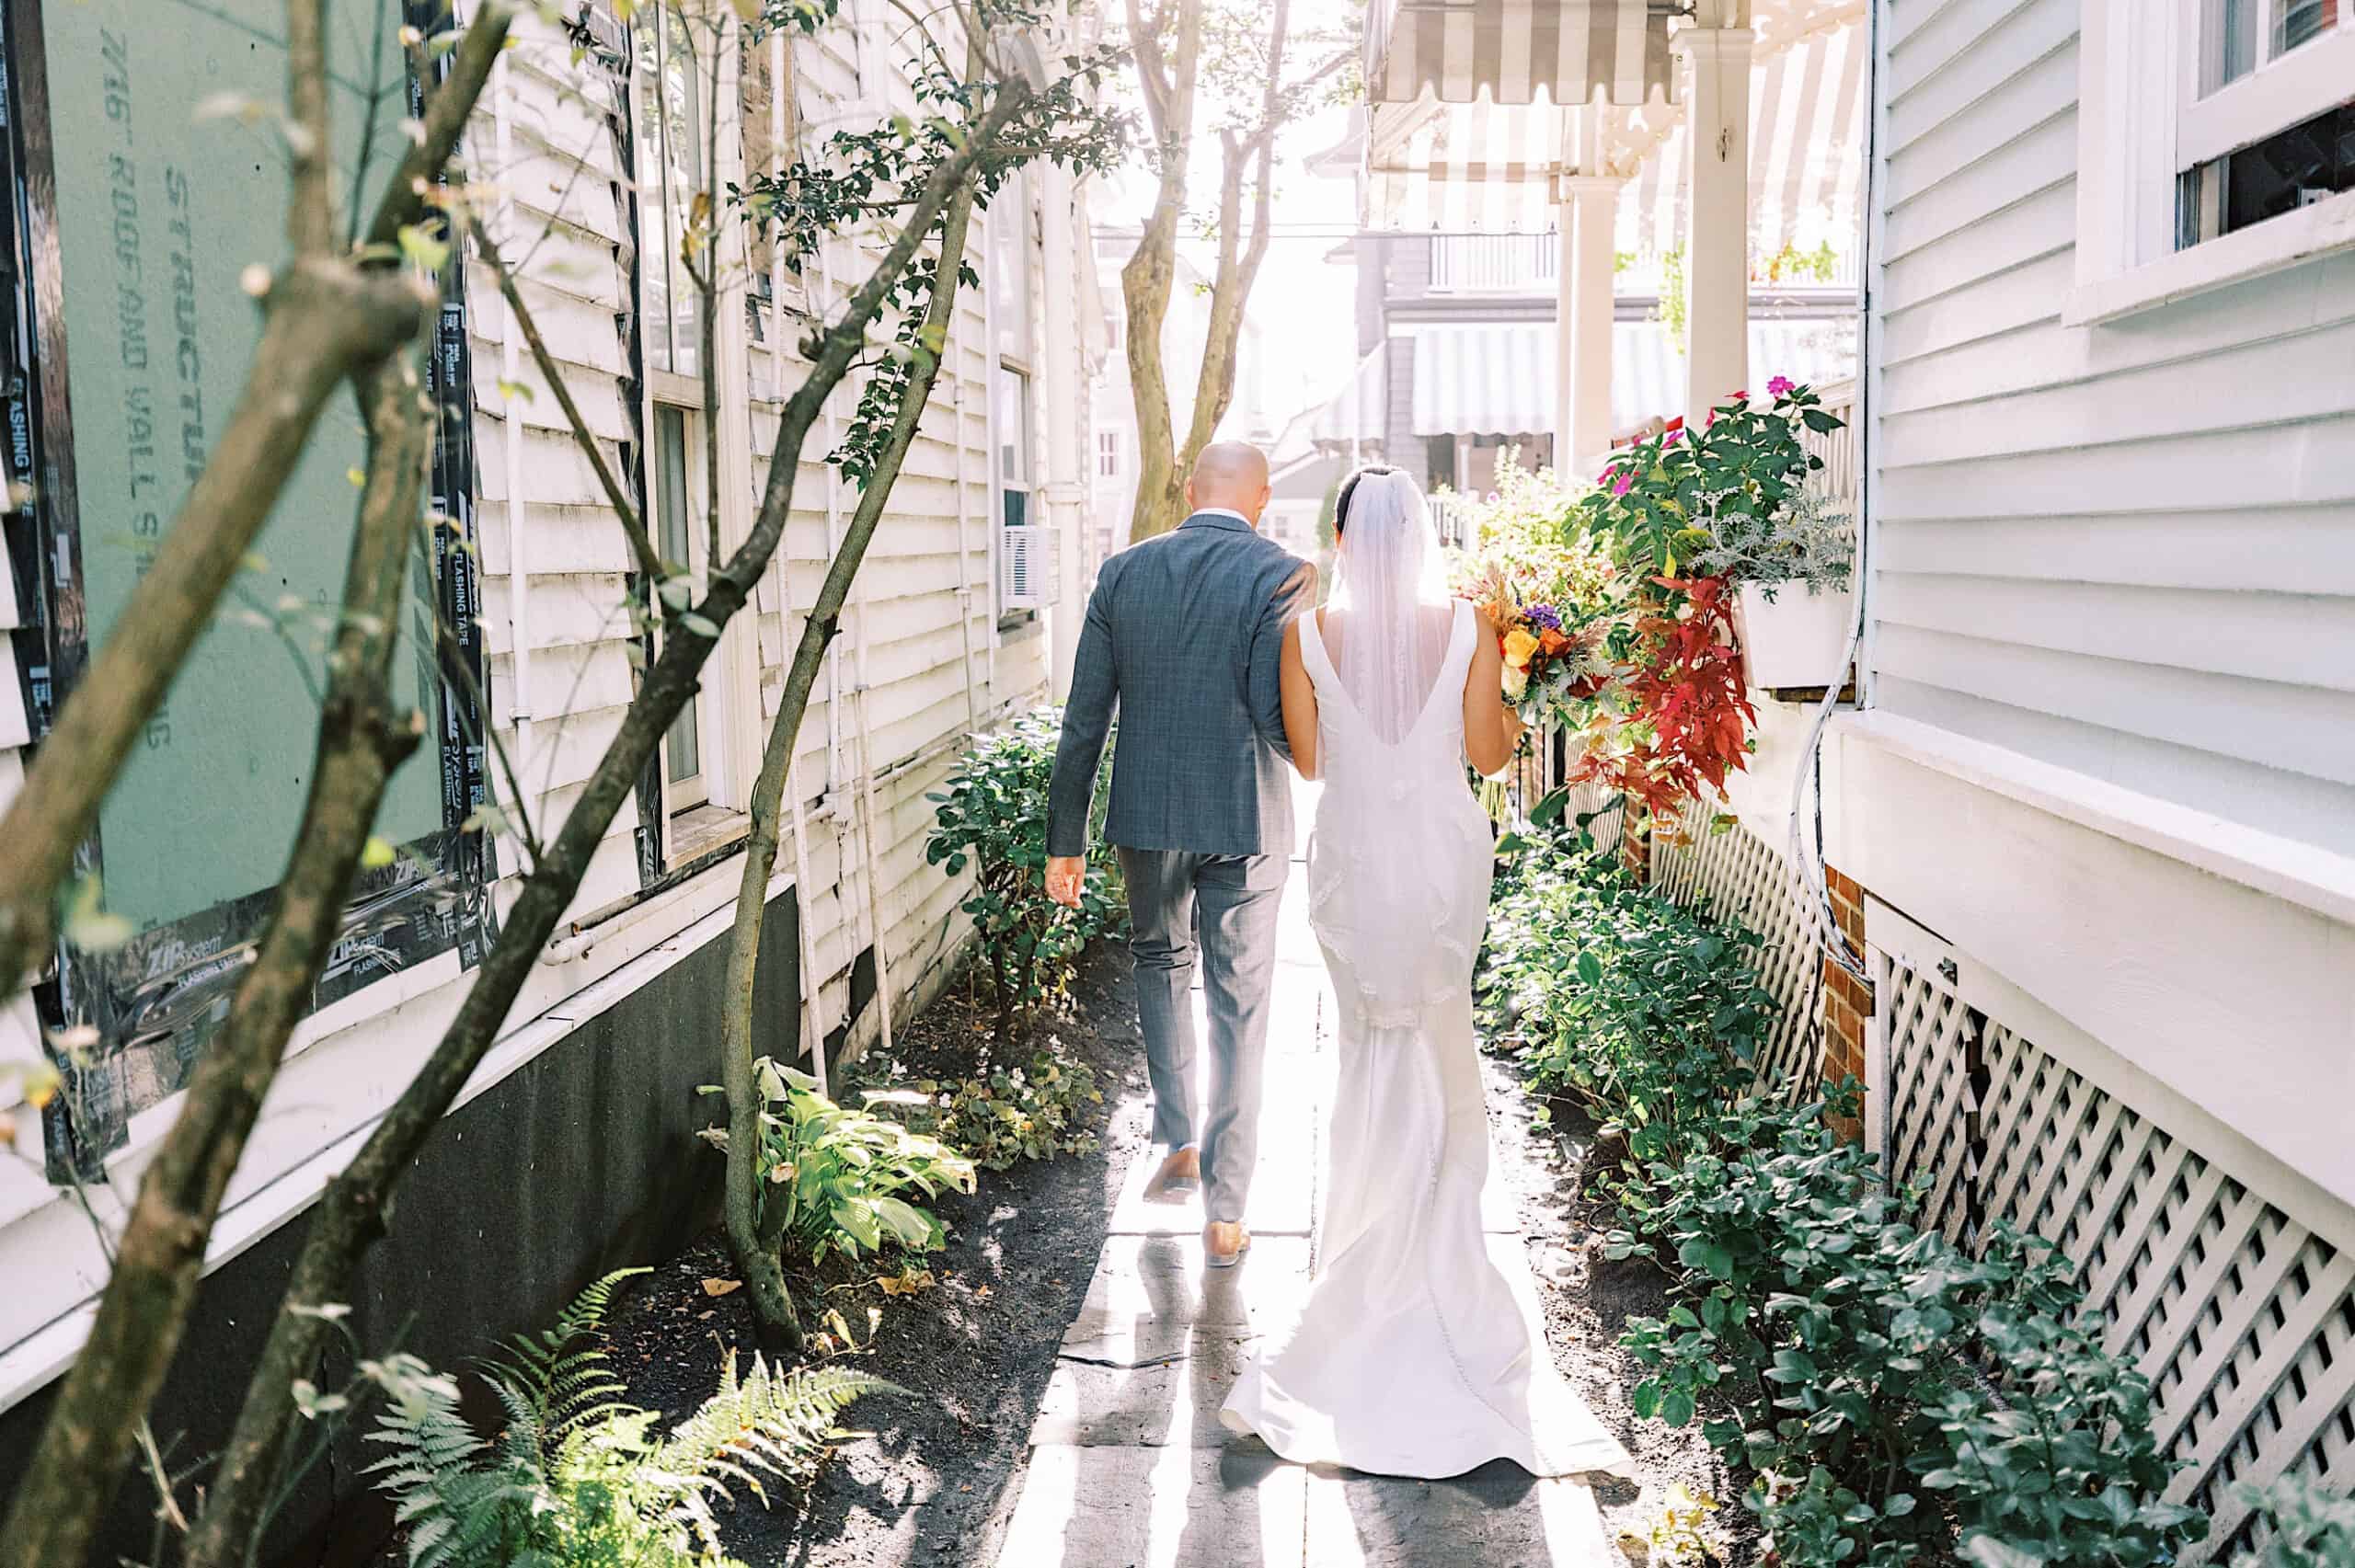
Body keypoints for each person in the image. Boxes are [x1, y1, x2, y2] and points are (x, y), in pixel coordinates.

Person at [1217, 464, 1632, 1479]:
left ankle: (1365, 1240)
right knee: (1443, 1038)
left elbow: (1310, 764)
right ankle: (1439, 1243)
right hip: (1442, 863)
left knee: (1368, 1043)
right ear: (1420, 538)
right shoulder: (1470, 627)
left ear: (1348, 540)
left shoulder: (1304, 634)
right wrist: (1519, 699)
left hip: (1355, 862)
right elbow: (1488, 758)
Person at [1043, 441, 1315, 1270]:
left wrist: (1067, 838)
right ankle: (1228, 1211)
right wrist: (1325, 751)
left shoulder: (1123, 574)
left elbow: (1085, 715)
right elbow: (1279, 716)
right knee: (1241, 1002)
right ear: (1263, 498)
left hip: (1147, 815)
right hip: (1243, 813)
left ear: (1188, 490)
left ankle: (1177, 1136)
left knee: (1161, 962)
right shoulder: (1285, 574)